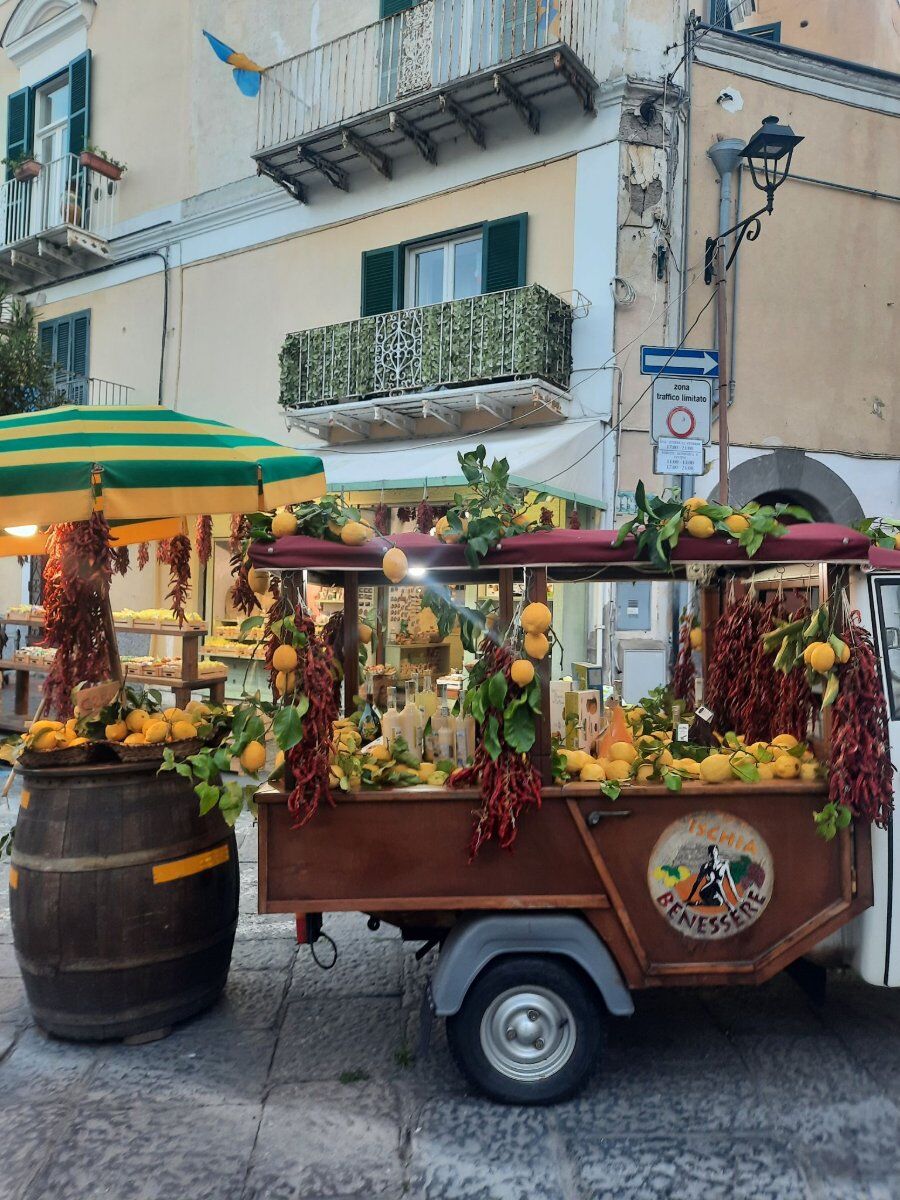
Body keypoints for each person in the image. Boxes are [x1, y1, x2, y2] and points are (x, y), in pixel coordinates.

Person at [685, 845, 739, 914]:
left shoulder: (724, 865)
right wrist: (689, 897)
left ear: (717, 852)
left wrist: (737, 896)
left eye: (715, 851)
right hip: (706, 892)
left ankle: (697, 903)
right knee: (717, 882)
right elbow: (697, 882)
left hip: (715, 894)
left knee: (719, 902)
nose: (714, 853)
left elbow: (730, 881)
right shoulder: (706, 866)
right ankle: (728, 904)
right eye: (712, 852)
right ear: (709, 854)